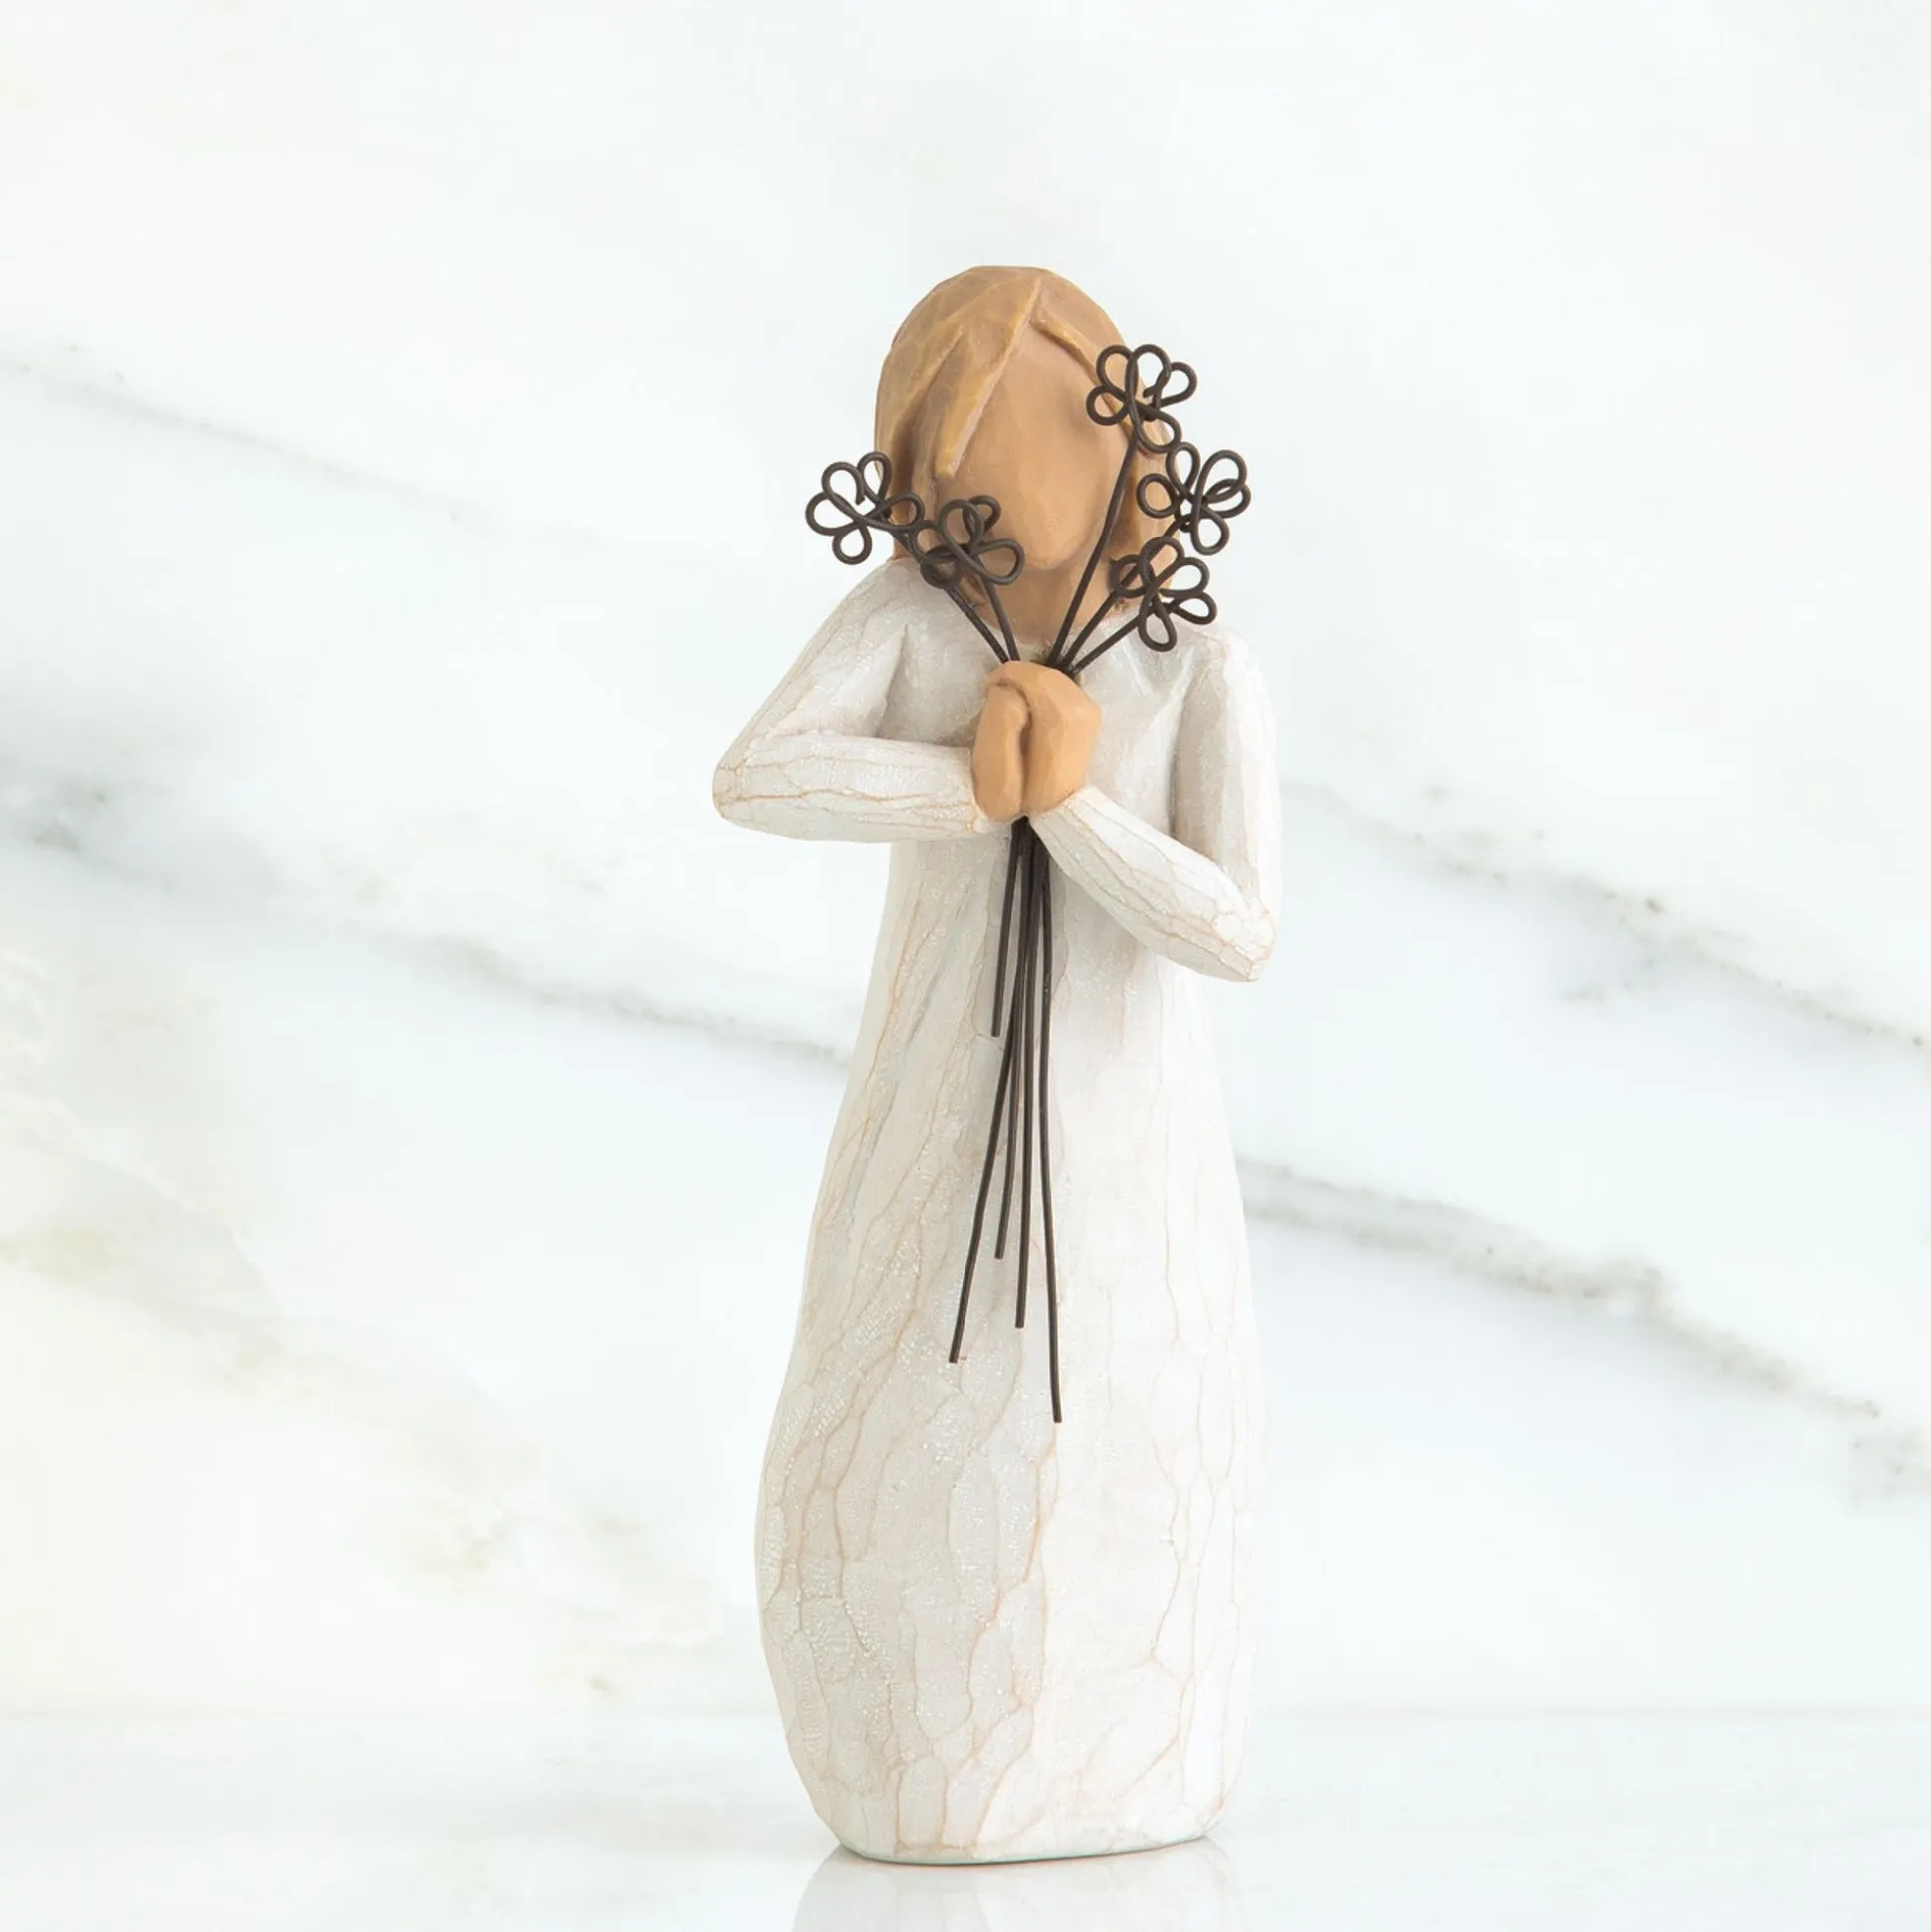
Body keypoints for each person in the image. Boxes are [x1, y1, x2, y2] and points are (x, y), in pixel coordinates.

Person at [714, 266, 1281, 1863]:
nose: (999, 483)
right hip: (933, 1117)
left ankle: (1134, 1750)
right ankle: (904, 1757)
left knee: (1127, 1417)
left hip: (1127, 1147)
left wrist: (1070, 808)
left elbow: (1238, 928)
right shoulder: (913, 623)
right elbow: (757, 775)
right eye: (960, 449)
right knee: (914, 1400)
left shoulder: (1186, 663)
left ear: (1121, 431)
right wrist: (969, 782)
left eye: (1035, 434)